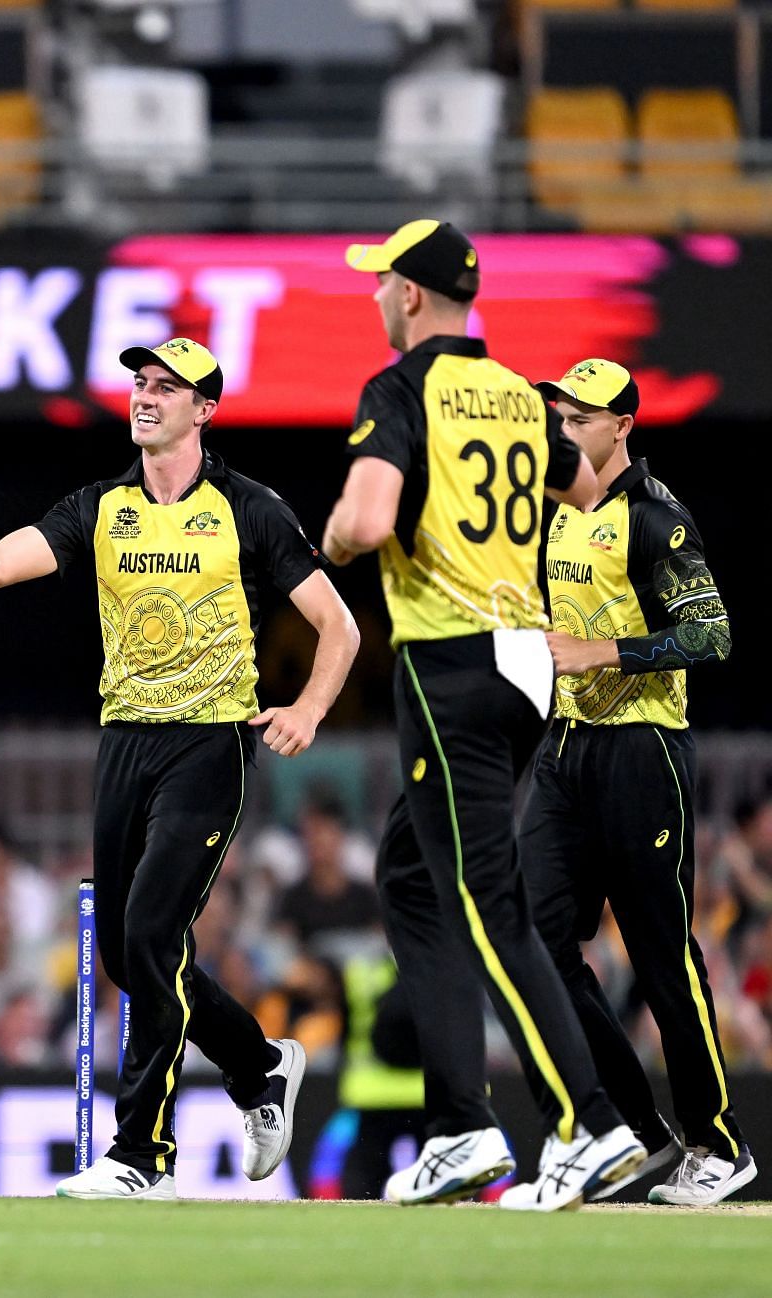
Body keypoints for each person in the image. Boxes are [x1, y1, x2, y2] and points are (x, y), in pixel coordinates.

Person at [0, 337, 360, 1201]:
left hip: (208, 741)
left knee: (153, 937)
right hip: (126, 742)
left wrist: (306, 709)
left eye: (168, 388)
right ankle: (261, 1064)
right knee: (130, 955)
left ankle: (142, 1156)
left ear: (205, 410)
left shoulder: (248, 507)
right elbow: (0, 564)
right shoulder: (101, 505)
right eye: (140, 384)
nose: (147, 397)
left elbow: (336, 625)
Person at [321, 219, 643, 1211]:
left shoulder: (402, 388)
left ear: (412, 296)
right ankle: (460, 1124)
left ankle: (589, 1121)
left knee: (482, 901)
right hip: (525, 661)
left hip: (451, 658)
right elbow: (584, 484)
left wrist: (332, 539)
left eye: (383, 284)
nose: (376, 297)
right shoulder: (516, 388)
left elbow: (367, 521)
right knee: (414, 879)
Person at [520, 358, 754, 1205]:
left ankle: (718, 1145)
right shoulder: (547, 515)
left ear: (621, 427)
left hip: (643, 751)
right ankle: (638, 1132)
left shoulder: (657, 520)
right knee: (532, 942)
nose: (564, 428)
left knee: (661, 956)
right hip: (567, 748)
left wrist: (605, 652)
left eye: (579, 418)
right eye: (559, 414)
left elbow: (713, 633)